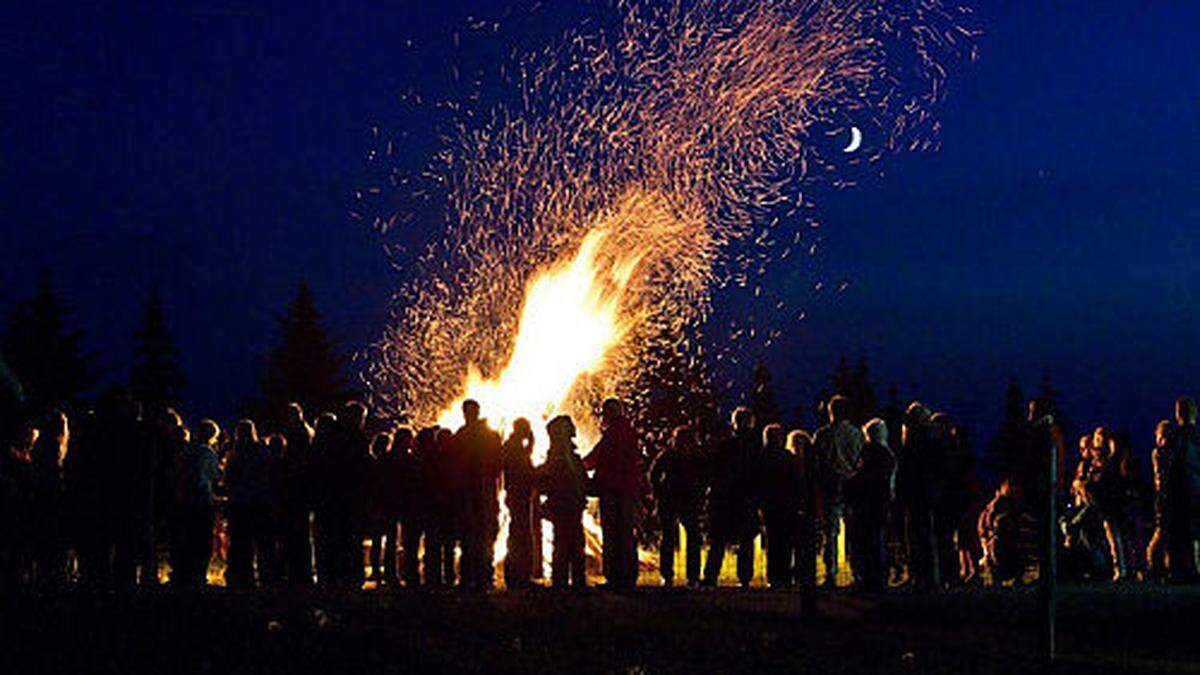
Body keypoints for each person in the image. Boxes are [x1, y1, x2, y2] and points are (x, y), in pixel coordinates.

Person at [583, 397, 643, 590]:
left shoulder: (614, 434)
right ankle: (628, 577)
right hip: (626, 491)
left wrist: (576, 466)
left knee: (613, 535)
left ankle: (616, 578)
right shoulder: (628, 432)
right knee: (626, 535)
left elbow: (596, 457)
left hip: (613, 492)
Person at [703, 407, 760, 588]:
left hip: (725, 499)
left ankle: (711, 577)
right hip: (747, 499)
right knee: (746, 541)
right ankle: (744, 578)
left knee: (718, 541)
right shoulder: (756, 448)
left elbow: (713, 471)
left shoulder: (725, 446)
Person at [813, 395, 865, 587]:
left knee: (831, 532)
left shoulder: (822, 435)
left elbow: (816, 465)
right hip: (852, 485)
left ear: (830, 412)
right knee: (854, 531)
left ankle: (831, 573)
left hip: (830, 486)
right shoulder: (857, 434)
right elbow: (861, 460)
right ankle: (857, 573)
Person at [453, 399, 502, 591]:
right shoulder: (485, 435)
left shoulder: (464, 435)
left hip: (478, 492)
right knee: (478, 535)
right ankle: (478, 576)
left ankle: (475, 576)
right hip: (477, 492)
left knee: (478, 535)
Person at [649, 425, 706, 587]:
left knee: (682, 538)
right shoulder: (676, 456)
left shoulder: (676, 456)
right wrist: (658, 492)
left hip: (680, 500)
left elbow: (653, 474)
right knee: (675, 537)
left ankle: (683, 576)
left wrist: (658, 492)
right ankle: (677, 576)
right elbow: (653, 474)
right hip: (675, 500)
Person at [224, 420, 276, 589]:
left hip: (240, 503)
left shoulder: (234, 454)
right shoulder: (263, 451)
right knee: (263, 543)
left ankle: (242, 577)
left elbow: (229, 480)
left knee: (241, 543)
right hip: (261, 502)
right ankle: (266, 577)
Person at [846, 418, 896, 592]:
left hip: (866, 503)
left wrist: (849, 484)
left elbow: (862, 476)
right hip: (882, 502)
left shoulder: (869, 452)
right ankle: (879, 577)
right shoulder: (888, 454)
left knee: (865, 542)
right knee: (878, 540)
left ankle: (867, 578)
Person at [537, 415, 587, 589]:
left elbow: (548, 480)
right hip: (568, 504)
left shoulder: (561, 457)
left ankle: (563, 581)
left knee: (564, 543)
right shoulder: (567, 458)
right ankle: (572, 580)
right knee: (572, 543)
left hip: (565, 504)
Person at [171, 419, 220, 588]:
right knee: (202, 539)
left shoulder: (187, 451)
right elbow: (214, 477)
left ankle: (184, 573)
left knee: (187, 538)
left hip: (186, 500)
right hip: (203, 501)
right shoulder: (209, 453)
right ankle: (198, 574)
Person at [31, 410, 69, 588]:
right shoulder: (51, 444)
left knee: (45, 540)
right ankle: (51, 578)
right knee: (50, 539)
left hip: (43, 495)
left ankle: (45, 577)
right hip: (49, 495)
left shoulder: (43, 443)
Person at [277, 403, 314, 588]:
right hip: (301, 490)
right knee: (300, 533)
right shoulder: (306, 432)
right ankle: (301, 573)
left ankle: (297, 574)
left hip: (295, 491)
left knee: (294, 533)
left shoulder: (296, 434)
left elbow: (294, 462)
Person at [761, 423, 802, 588]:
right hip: (786, 504)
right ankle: (785, 575)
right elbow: (796, 482)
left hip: (770, 504)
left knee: (772, 540)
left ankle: (773, 576)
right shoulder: (788, 457)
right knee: (785, 542)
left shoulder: (761, 457)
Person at [501, 418, 536, 589]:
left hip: (519, 495)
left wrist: (530, 446)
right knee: (519, 535)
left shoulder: (514, 446)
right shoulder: (513, 448)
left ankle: (518, 576)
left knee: (519, 534)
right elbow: (523, 471)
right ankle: (517, 576)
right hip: (518, 495)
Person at [1170, 396, 1200, 581]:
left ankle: (1183, 571)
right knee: (1194, 531)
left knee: (1181, 531)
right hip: (1196, 487)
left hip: (1182, 488)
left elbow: (1176, 463)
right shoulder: (1196, 435)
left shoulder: (1179, 435)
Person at [1146, 420, 1176, 581]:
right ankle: (1164, 568)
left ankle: (1155, 568)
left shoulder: (1160, 453)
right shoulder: (1172, 452)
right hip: (1169, 498)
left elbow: (1160, 477)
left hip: (1164, 498)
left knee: (1162, 534)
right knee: (1167, 535)